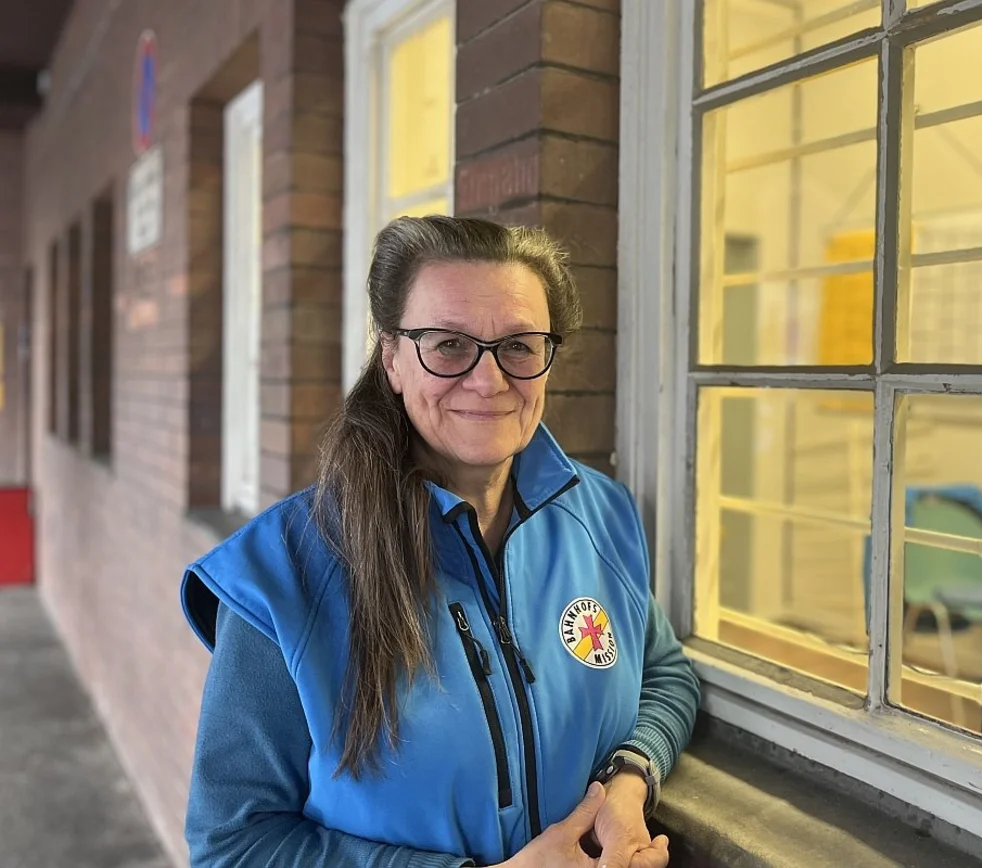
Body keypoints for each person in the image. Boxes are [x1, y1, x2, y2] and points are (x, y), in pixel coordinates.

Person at [179, 216, 701, 868]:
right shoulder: (280, 577)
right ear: (392, 357)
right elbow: (233, 846)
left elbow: (666, 674)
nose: (488, 380)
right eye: (448, 344)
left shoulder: (602, 517)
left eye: (520, 344)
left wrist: (628, 781)